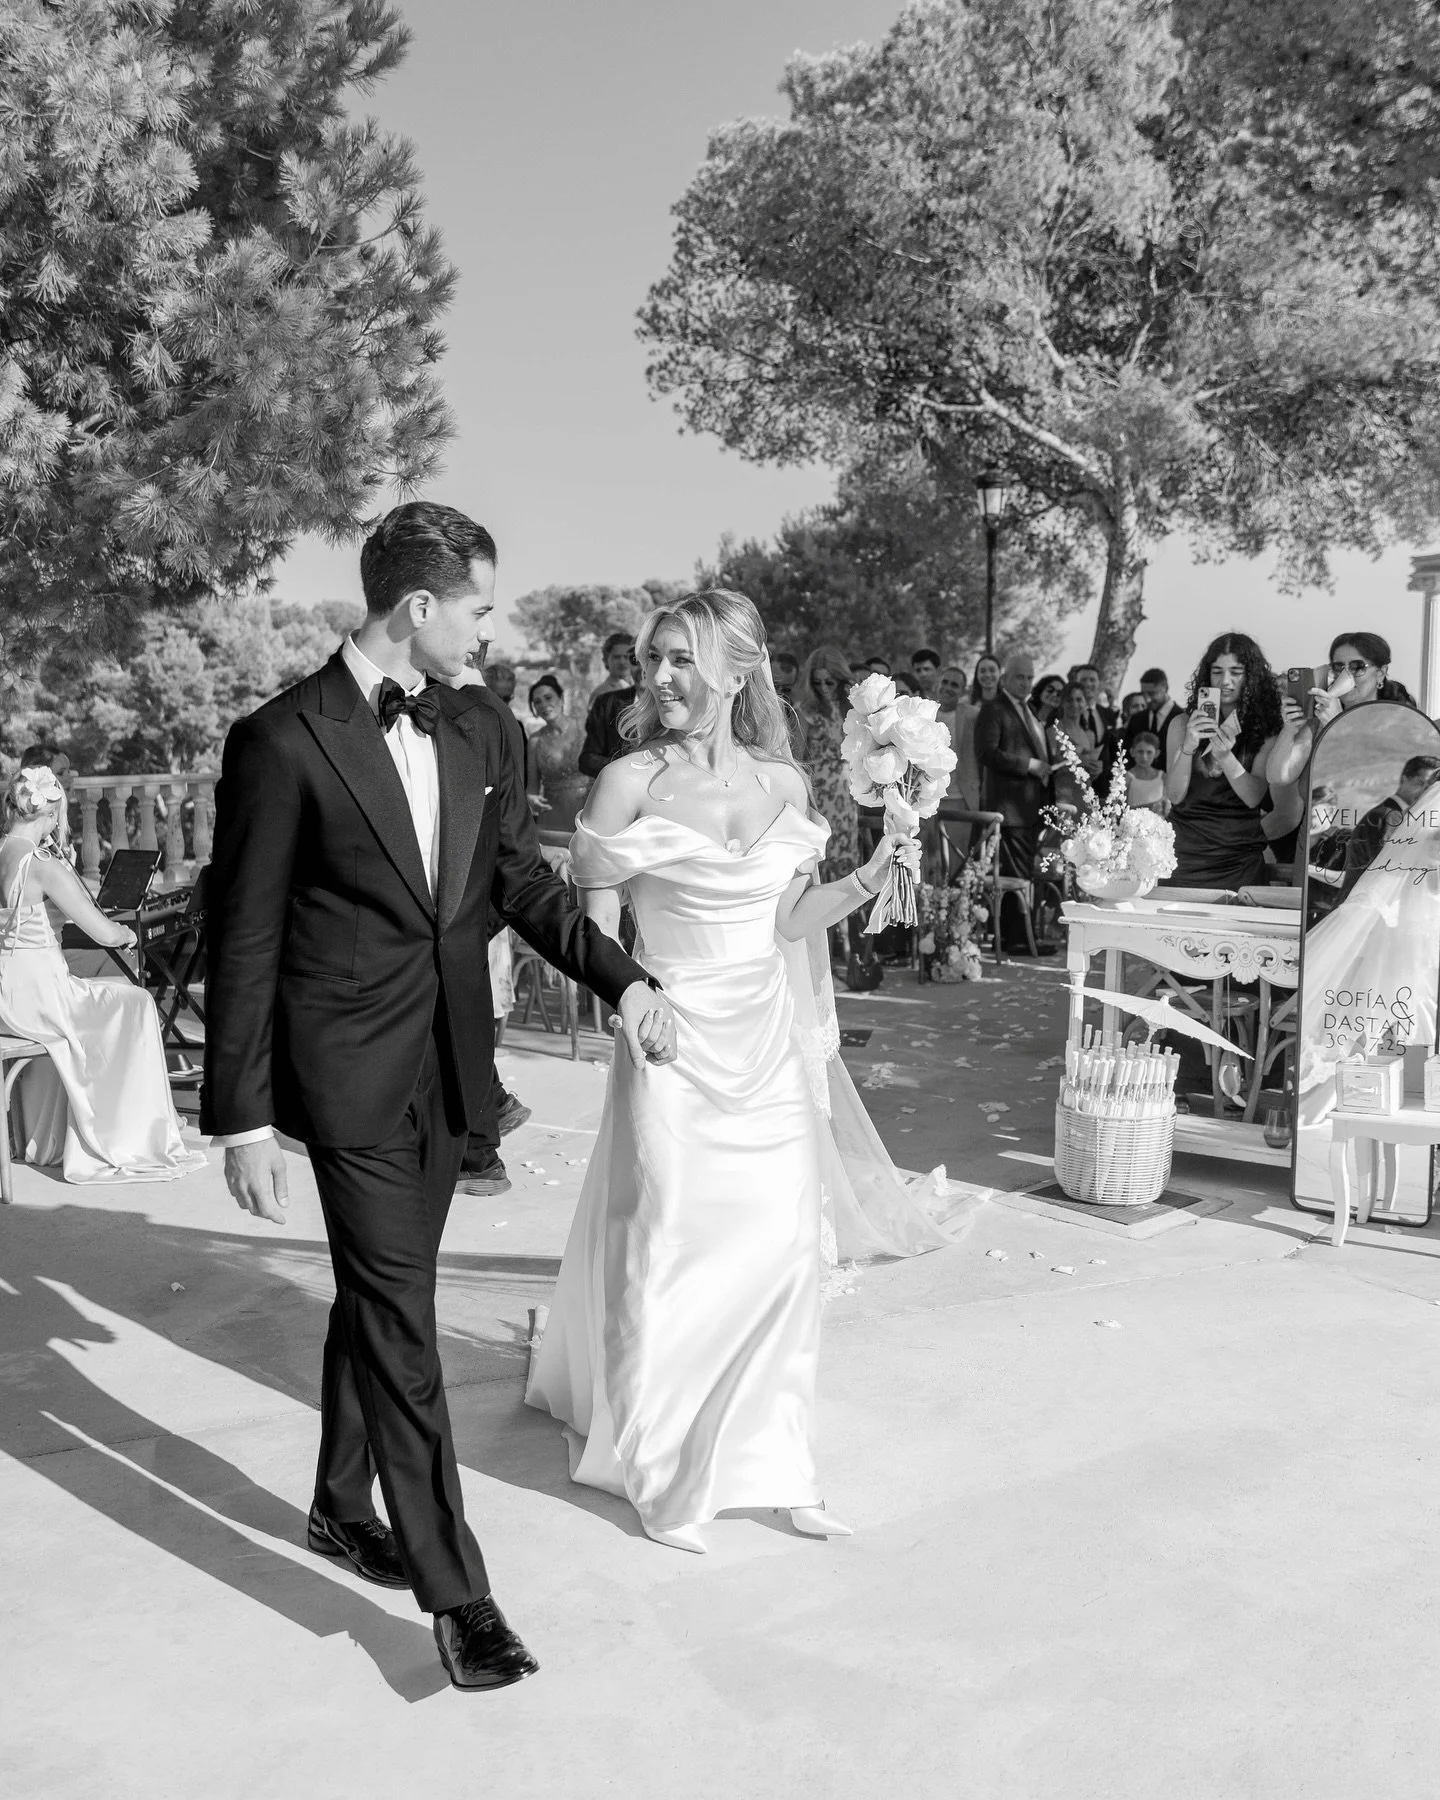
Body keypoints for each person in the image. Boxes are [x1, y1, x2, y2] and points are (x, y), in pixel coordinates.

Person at [201, 501, 678, 1693]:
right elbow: (244, 935)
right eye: (478, 604)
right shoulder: (282, 739)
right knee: (402, 1325)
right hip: (346, 1076)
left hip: (450, 1067)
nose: (488, 625)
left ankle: (332, 1501)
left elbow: (519, 881)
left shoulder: (474, 730)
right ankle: (457, 1596)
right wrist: (244, 1118)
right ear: (420, 607)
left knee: (383, 1292)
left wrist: (624, 984)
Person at [525, 589, 974, 1554]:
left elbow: (784, 926)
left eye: (682, 658)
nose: (660, 677)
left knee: (775, 1256)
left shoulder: (787, 787)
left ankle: (777, 1462)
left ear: (739, 670)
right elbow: (596, 942)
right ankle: (660, 1468)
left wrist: (872, 872)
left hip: (766, 1043)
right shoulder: (627, 782)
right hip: (671, 1036)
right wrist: (629, 1008)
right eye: (653, 659)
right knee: (670, 1243)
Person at [0, 764, 205, 1183]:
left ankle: (129, 1120)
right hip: (41, 996)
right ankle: (136, 1128)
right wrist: (126, 933)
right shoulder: (43, 864)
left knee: (105, 1003)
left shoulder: (4, 852)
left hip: (8, 992)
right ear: (50, 815)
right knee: (137, 1002)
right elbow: (101, 930)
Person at [1162, 632, 1282, 889]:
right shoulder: (1181, 724)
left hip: (1238, 860)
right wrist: (1188, 747)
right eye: (1217, 672)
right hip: (1183, 856)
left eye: (1236, 672)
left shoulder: (1268, 730)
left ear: (1252, 676)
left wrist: (1226, 758)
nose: (1225, 681)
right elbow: (1174, 795)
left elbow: (1253, 797)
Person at [792, 645, 878, 987]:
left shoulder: (852, 714)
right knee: (819, 877)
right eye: (819, 682)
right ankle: (820, 961)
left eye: (831, 682)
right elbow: (796, 760)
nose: (825, 688)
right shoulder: (803, 713)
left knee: (847, 874)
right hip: (818, 798)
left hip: (846, 801)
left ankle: (851, 957)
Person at [1267, 631, 1417, 788]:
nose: (1346, 675)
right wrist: (1289, 730)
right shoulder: (1318, 719)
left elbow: (1380, 781)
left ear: (1380, 674)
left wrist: (1338, 725)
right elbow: (1278, 776)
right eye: (1338, 667)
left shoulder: (1398, 721)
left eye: (1357, 667)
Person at [976, 652, 1054, 950]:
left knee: (1023, 876)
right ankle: (1015, 938)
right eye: (1019, 677)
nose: (1025, 683)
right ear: (1006, 678)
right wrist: (1030, 765)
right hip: (1008, 808)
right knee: (1013, 876)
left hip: (1030, 807)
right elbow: (988, 753)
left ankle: (1022, 936)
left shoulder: (1029, 711)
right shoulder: (994, 709)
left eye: (1030, 677)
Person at [1338, 754, 1440, 899]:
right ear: (1404, 779)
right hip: (1364, 906)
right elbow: (1388, 870)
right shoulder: (1388, 817)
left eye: (1429, 787)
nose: (1424, 791)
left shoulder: (1399, 816)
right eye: (1419, 783)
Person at [527, 674, 589, 834]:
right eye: (537, 702)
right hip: (552, 818)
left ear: (561, 699)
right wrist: (532, 800)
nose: (543, 705)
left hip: (588, 811)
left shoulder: (585, 728)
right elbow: (532, 790)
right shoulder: (535, 741)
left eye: (548, 698)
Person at [579, 643, 641, 777]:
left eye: (651, 658)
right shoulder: (606, 702)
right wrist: (626, 768)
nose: (643, 667)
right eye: (636, 660)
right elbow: (587, 760)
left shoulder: (675, 705)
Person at [1048, 681, 1103, 812]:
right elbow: (1049, 765)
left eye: (1079, 700)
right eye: (1069, 700)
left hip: (1085, 792)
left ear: (1086, 703)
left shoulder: (1089, 735)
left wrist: (1096, 769)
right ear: (1062, 703)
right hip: (1062, 794)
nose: (1074, 704)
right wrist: (1078, 762)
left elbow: (1087, 770)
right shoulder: (1054, 730)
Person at [1122, 668, 1180, 773]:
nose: (1147, 699)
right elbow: (1126, 755)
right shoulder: (1136, 719)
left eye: (1152, 693)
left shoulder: (1181, 718)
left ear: (1165, 688)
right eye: (1144, 694)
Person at [589, 631, 637, 703]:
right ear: (605, 660)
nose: (622, 662)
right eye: (617, 657)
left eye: (626, 657)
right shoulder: (601, 694)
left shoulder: (642, 688)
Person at [1125, 732, 1166, 811]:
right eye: (1140, 751)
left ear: (1157, 753)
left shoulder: (1163, 777)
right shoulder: (1127, 778)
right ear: (1132, 752)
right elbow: (1121, 809)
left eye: (1149, 752)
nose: (1144, 757)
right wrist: (1149, 807)